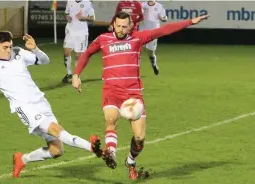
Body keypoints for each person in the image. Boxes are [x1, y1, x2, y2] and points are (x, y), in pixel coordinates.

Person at [72, 11, 209, 180]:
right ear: (113, 24)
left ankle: (130, 161)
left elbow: (164, 30)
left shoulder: (138, 38)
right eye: (118, 26)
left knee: (139, 138)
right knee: (110, 120)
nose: (121, 29)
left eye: (125, 26)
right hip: (111, 91)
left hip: (133, 95)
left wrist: (190, 22)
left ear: (130, 26)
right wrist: (76, 74)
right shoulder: (103, 39)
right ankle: (111, 153)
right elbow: (87, 54)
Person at [0, 31, 102, 178]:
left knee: (56, 150)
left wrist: (35, 49)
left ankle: (22, 159)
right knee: (57, 130)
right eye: (5, 47)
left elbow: (45, 61)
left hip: (41, 102)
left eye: (10, 46)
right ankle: (92, 148)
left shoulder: (18, 53)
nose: (9, 50)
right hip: (25, 108)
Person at [62, 0, 95, 83]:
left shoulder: (87, 3)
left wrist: (83, 18)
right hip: (70, 30)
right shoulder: (69, 1)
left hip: (81, 33)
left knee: (78, 55)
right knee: (66, 51)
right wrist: (67, 17)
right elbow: (66, 13)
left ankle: (76, 75)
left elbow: (93, 18)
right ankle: (69, 73)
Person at [139, 0, 168, 75]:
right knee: (138, 51)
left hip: (153, 32)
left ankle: (154, 65)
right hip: (142, 31)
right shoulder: (142, 5)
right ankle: (135, 70)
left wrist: (164, 19)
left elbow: (164, 18)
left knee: (150, 52)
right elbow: (138, 15)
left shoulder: (159, 6)